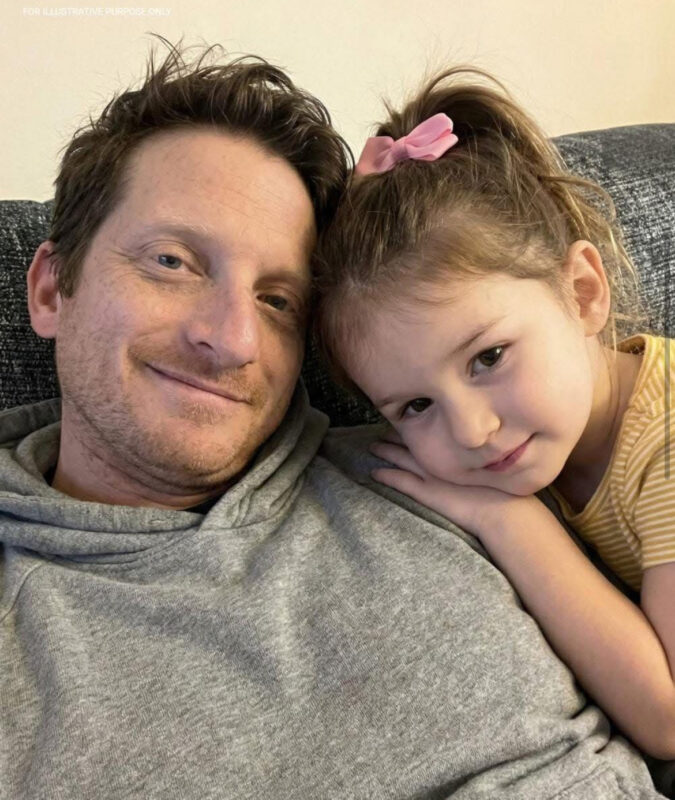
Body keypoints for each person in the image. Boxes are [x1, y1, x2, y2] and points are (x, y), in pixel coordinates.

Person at [0, 43, 667, 799]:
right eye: (173, 262)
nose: (232, 339)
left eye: (276, 300)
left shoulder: (444, 469)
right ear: (51, 288)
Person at [313, 65, 675, 764]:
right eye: (416, 406)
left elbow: (669, 720)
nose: (472, 431)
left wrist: (508, 521)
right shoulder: (551, 433)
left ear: (582, 292)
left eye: (488, 358)